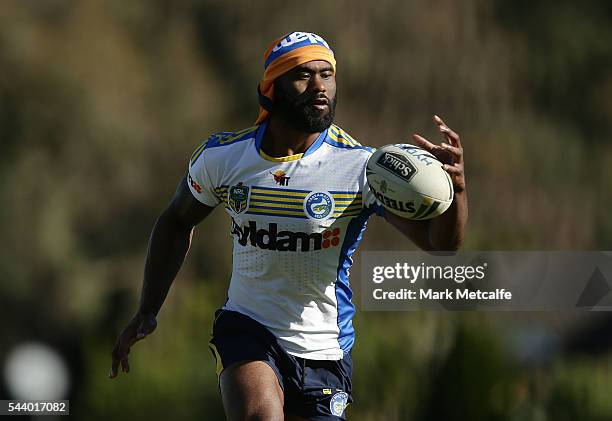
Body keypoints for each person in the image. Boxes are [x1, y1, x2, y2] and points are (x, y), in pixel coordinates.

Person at [110, 31, 467, 421]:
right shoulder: (225, 158)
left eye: (327, 75)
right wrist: (148, 308)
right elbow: (176, 221)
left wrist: (457, 189)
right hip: (248, 328)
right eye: (303, 75)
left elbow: (440, 244)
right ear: (271, 89)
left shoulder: (361, 168)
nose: (319, 87)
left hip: (325, 348)